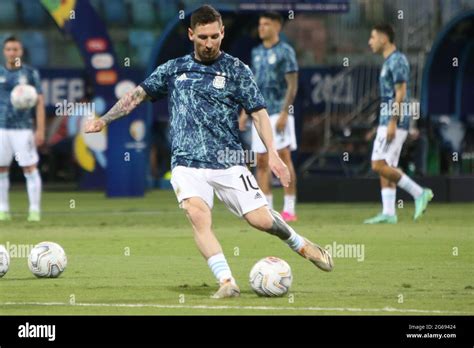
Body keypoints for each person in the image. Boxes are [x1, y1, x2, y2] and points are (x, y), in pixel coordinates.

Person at [85, 5, 333, 299]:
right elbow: (136, 96)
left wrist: (275, 155)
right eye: (202, 37)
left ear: (222, 33)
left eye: (215, 36)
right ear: (191, 34)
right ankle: (227, 281)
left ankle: (299, 244)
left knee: (261, 221)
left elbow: (259, 114)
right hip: (186, 164)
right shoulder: (174, 69)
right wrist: (104, 120)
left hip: (228, 162)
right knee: (197, 214)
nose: (209, 43)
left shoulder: (237, 70)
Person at [364, 24, 433, 224]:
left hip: (396, 119)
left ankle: (420, 192)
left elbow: (401, 93)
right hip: (389, 118)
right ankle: (388, 212)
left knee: (377, 164)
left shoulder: (398, 60)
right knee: (387, 165)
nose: (370, 41)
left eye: (373, 36)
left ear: (384, 39)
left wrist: (393, 121)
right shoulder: (388, 61)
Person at [239, 11, 299, 222]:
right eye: (260, 24)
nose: (261, 27)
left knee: (283, 157)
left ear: (277, 27)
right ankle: (268, 208)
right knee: (261, 161)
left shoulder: (285, 51)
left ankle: (289, 208)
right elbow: (252, 86)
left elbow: (292, 85)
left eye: (266, 24)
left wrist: (285, 112)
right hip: (259, 114)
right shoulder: (256, 53)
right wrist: (245, 112)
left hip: (279, 113)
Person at [0, 36, 45, 222]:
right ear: (4, 52)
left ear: (21, 52)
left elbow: (40, 102)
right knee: (1, 169)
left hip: (23, 129)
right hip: (1, 129)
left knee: (30, 168)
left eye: (16, 49)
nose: (12, 53)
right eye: (9, 49)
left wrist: (40, 130)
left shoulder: (30, 74)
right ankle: (3, 210)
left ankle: (34, 210)